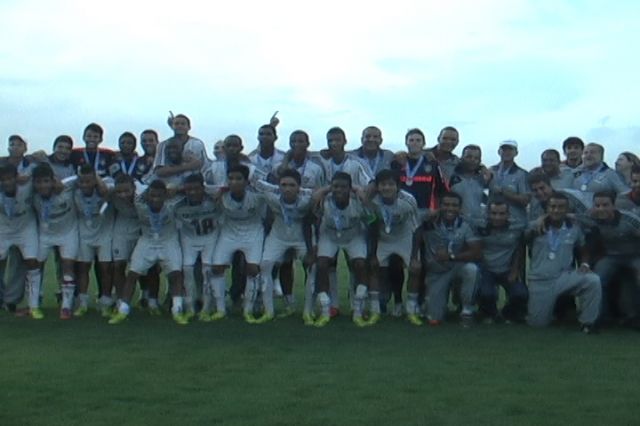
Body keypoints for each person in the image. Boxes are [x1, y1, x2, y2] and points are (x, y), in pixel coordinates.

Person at [109, 179, 186, 325]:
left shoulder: (173, 204)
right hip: (147, 241)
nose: (155, 199)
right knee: (133, 274)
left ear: (165, 196)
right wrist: (147, 192)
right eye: (152, 196)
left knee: (176, 274)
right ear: (147, 195)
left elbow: (192, 189)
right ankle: (123, 310)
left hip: (168, 241)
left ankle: (177, 310)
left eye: (159, 196)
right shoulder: (140, 204)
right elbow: (135, 189)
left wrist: (176, 188)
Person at [525, 192, 601, 332]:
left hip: (564, 277)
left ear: (567, 210)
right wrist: (536, 227)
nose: (556, 210)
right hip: (540, 279)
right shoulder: (536, 225)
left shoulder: (574, 228)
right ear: (547, 208)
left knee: (593, 280)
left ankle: (588, 323)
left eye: (561, 207)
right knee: (538, 325)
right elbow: (522, 240)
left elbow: (583, 248)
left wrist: (585, 264)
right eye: (552, 206)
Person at [254, 170, 315, 323]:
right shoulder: (272, 196)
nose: (287, 189)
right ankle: (269, 311)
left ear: (299, 187)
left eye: (292, 185)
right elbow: (253, 180)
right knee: (265, 265)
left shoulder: (306, 200)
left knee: (313, 267)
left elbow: (323, 191)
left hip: (300, 238)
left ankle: (308, 311)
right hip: (278, 237)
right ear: (278, 186)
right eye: (284, 185)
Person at [209, 164, 267, 322]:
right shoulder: (221, 195)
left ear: (246, 182)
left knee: (253, 269)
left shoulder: (257, 196)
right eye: (231, 178)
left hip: (253, 233)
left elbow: (274, 189)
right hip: (229, 233)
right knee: (217, 267)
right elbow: (198, 187)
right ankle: (221, 309)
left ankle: (248, 309)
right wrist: (220, 189)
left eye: (238, 179)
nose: (234, 182)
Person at [314, 172, 371, 327]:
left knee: (360, 265)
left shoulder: (357, 201)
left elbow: (372, 217)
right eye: (335, 186)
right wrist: (324, 191)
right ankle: (326, 310)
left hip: (353, 235)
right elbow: (313, 213)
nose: (339, 190)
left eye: (343, 187)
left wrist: (362, 195)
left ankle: (358, 310)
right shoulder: (324, 200)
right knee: (322, 265)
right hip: (330, 235)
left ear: (350, 188)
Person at [366, 170, 421, 326]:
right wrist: (372, 254)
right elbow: (373, 227)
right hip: (383, 239)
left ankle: (411, 310)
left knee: (415, 269)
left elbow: (417, 228)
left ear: (398, 186)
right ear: (377, 186)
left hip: (404, 238)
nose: (387, 188)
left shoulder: (408, 200)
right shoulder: (374, 202)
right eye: (383, 184)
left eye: (391, 184)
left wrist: (415, 256)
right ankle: (375, 311)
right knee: (373, 268)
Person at [422, 192, 482, 326]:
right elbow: (414, 227)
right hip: (437, 271)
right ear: (439, 206)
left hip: (457, 265)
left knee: (472, 270)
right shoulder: (429, 221)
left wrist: (451, 256)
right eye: (446, 205)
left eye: (454, 205)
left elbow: (476, 252)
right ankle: (435, 303)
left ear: (460, 208)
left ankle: (467, 310)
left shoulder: (466, 224)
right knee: (434, 318)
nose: (450, 208)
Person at [581, 191, 640, 323]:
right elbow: (569, 216)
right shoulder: (589, 217)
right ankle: (601, 316)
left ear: (614, 206)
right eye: (597, 205)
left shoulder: (630, 220)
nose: (601, 209)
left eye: (605, 205)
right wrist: (542, 218)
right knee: (597, 279)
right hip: (611, 256)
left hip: (635, 255)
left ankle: (637, 317)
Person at [31, 164, 79, 319]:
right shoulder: (32, 193)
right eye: (38, 182)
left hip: (67, 233)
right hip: (44, 235)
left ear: (53, 181)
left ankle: (66, 306)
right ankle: (33, 305)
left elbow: (87, 176)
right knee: (35, 266)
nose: (42, 185)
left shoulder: (67, 187)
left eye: (46, 181)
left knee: (67, 265)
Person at [174, 173, 220, 320]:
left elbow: (225, 189)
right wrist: (176, 190)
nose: (193, 192)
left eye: (196, 189)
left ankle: (206, 307)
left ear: (203, 188)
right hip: (189, 238)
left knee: (207, 270)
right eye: (189, 189)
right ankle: (190, 306)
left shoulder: (213, 199)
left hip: (210, 237)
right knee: (187, 269)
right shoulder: (178, 204)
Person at [0, 164, 42, 319]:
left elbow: (40, 159)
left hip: (26, 228)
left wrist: (30, 171)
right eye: (3, 180)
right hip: (3, 229)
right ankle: (5, 301)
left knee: (32, 262)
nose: (7, 182)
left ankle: (34, 306)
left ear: (16, 178)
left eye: (9, 179)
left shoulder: (27, 185)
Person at [476, 198, 528, 323]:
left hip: (507, 269)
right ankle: (490, 313)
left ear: (508, 215)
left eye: (501, 214)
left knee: (521, 294)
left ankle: (507, 313)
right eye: (494, 213)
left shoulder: (517, 227)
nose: (497, 217)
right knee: (486, 294)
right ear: (488, 214)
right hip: (486, 269)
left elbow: (520, 248)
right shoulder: (479, 227)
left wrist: (515, 270)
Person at [72, 165, 114, 317]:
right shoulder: (75, 192)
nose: (84, 185)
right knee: (83, 268)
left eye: (88, 181)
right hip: (85, 234)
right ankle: (82, 302)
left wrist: (96, 178)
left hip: (104, 234)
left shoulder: (106, 183)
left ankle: (105, 302)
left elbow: (105, 192)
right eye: (81, 181)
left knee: (105, 269)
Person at [488, 140, 530, 228]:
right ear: (499, 152)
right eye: (504, 150)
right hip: (493, 223)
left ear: (516, 153)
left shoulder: (522, 174)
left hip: (515, 223)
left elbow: (525, 200)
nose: (506, 152)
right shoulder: (490, 171)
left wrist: (503, 192)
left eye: (510, 150)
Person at [449, 144, 492, 228]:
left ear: (480, 161)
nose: (472, 160)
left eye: (476, 158)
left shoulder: (482, 178)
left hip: (478, 224)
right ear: (461, 158)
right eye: (469, 157)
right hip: (456, 225)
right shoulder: (452, 176)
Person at [153, 113, 208, 179]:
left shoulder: (197, 144)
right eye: (176, 124)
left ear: (189, 127)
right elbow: (159, 172)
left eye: (183, 124)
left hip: (192, 185)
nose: (179, 126)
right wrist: (189, 166)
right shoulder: (162, 145)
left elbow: (204, 166)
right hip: (169, 186)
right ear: (172, 126)